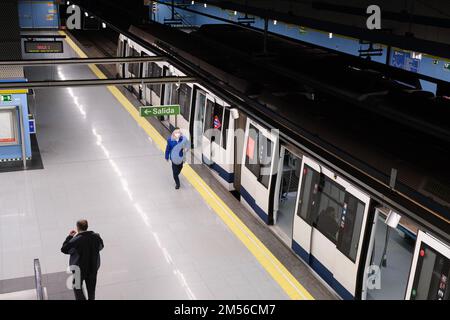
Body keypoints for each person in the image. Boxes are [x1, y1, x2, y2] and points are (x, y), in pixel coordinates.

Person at [61, 219, 104, 300]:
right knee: (91, 290)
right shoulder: (96, 237)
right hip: (93, 267)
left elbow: (64, 249)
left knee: (77, 287)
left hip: (79, 270)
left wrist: (69, 237)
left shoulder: (77, 240)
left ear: (78, 228)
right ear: (87, 226)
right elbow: (101, 247)